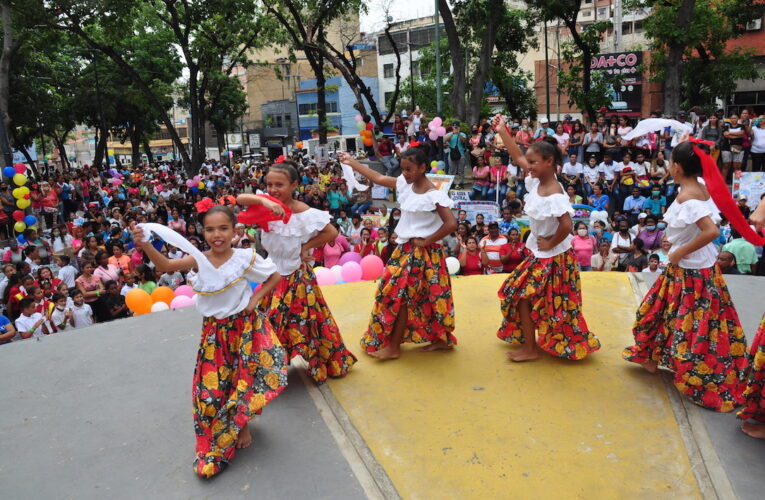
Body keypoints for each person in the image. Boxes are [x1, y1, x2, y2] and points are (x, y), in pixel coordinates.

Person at [131, 203, 288, 478]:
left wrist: (254, 299)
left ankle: (243, 424)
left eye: (223, 228)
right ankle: (219, 437)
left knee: (243, 378)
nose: (217, 235)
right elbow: (165, 265)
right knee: (212, 387)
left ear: (235, 230)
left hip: (244, 328)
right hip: (215, 334)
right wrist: (144, 245)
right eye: (210, 229)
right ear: (202, 232)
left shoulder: (245, 258)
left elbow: (274, 277)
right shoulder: (199, 259)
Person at [622, 141, 749, 412]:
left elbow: (711, 232)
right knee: (665, 314)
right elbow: (697, 229)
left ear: (677, 167)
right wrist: (676, 244)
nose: (669, 166)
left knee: (683, 324)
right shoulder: (699, 185)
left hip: (690, 273)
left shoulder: (688, 197)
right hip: (694, 269)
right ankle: (651, 358)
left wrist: (678, 252)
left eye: (670, 162)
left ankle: (686, 371)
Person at [491, 114, 600, 362]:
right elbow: (518, 156)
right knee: (523, 296)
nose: (527, 165)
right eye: (529, 162)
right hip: (539, 255)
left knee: (534, 300)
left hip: (555, 258)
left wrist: (550, 242)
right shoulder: (535, 181)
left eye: (533, 162)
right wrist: (502, 130)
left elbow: (567, 224)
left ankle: (531, 349)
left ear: (549, 162)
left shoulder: (554, 192)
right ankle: (531, 346)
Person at [240, 159, 356, 383]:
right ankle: (271, 367)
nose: (273, 189)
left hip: (297, 277)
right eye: (269, 184)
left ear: (294, 185)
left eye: (279, 185)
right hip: (272, 275)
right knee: (269, 322)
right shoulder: (264, 202)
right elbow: (240, 199)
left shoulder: (304, 212)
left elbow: (331, 232)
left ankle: (322, 362)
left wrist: (305, 246)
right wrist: (264, 202)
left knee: (309, 322)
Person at [340, 147, 458, 360]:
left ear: (423, 168)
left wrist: (427, 241)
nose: (404, 173)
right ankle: (439, 339)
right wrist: (352, 162)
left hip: (422, 253)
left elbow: (451, 224)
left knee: (400, 295)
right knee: (413, 295)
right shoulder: (405, 184)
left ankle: (395, 347)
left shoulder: (434, 195)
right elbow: (377, 177)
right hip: (405, 250)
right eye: (403, 169)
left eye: (409, 169)